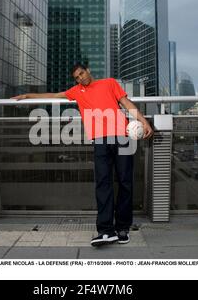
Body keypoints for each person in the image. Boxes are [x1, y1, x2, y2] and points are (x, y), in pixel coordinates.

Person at [12, 64, 154, 247]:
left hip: (123, 136)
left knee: (125, 182)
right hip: (100, 141)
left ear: (88, 70)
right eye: (77, 77)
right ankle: (105, 231)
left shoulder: (109, 83)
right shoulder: (77, 91)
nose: (80, 78)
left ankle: (122, 228)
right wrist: (26, 96)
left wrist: (144, 122)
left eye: (81, 74)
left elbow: (127, 104)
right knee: (103, 184)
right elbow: (53, 96)